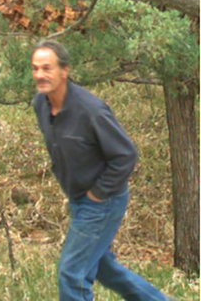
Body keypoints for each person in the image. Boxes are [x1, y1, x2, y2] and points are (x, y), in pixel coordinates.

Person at [31, 40, 166, 301]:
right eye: (35, 68)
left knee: (72, 274)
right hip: (78, 199)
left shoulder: (91, 110)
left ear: (64, 71)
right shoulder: (41, 104)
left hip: (101, 203)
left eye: (47, 68)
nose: (39, 75)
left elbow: (126, 154)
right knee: (104, 269)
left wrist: (98, 193)